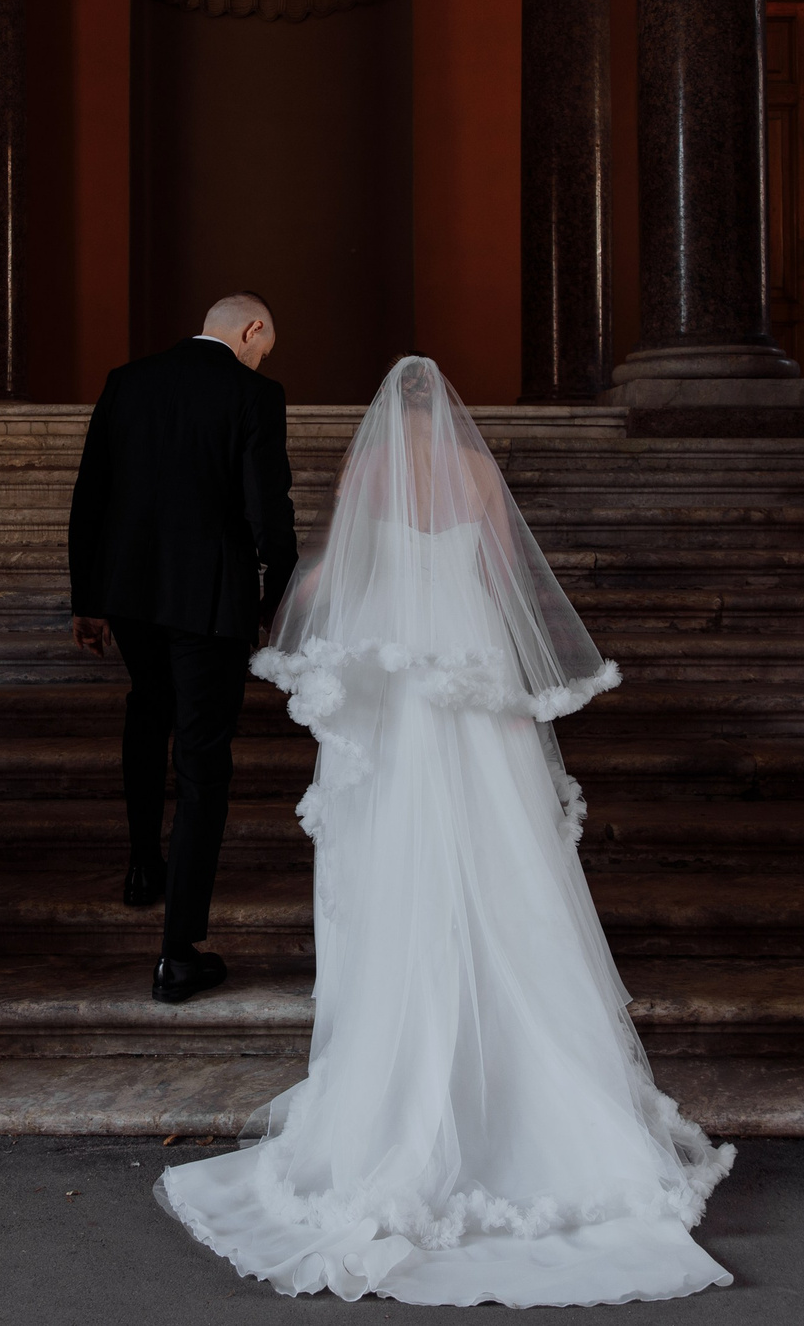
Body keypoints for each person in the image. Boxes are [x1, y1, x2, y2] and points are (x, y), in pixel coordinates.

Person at [155, 355, 734, 1306]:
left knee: (395, 847)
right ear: (450, 417)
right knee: (503, 856)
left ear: (390, 416)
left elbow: (345, 566)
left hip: (397, 664)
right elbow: (505, 573)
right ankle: (527, 1063)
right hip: (468, 656)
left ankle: (401, 1037)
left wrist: (303, 632)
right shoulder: (473, 474)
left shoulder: (371, 472)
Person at [67, 292, 299, 1004]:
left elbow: (90, 494)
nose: (263, 355)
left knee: (148, 708)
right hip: (210, 603)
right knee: (203, 763)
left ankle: (143, 865)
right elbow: (269, 506)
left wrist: (87, 597)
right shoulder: (254, 392)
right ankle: (178, 951)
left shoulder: (125, 380)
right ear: (252, 329)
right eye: (265, 343)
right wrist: (278, 597)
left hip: (129, 593)